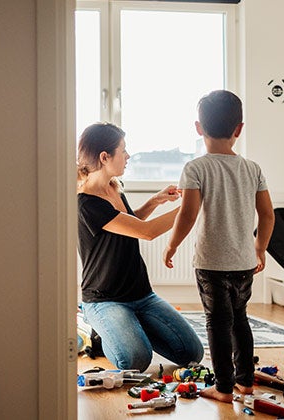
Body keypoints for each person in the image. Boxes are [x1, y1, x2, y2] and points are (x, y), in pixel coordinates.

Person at [163, 90, 275, 402]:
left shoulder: (196, 168)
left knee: (217, 322)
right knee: (240, 319)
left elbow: (187, 215)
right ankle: (246, 382)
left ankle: (223, 388)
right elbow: (267, 215)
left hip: (211, 263)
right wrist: (260, 248)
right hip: (243, 263)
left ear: (199, 128)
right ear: (239, 129)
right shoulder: (252, 169)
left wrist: (171, 246)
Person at [77, 122, 204, 372]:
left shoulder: (113, 188)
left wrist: (155, 201)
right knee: (135, 361)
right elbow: (146, 233)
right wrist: (192, 206)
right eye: (123, 150)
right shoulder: (87, 203)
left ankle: (130, 324)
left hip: (142, 295)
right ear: (105, 157)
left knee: (192, 352)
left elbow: (130, 223)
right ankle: (98, 327)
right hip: (105, 300)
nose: (128, 156)